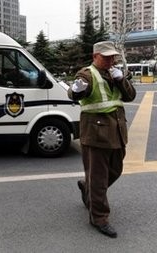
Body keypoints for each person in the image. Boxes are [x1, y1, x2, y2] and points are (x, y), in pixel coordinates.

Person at [67, 41, 136, 238]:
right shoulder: (87, 74)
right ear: (95, 56)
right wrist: (77, 90)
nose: (110, 60)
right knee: (98, 178)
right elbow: (75, 92)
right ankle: (99, 218)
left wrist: (122, 79)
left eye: (112, 56)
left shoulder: (114, 73)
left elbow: (129, 96)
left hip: (117, 132)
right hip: (96, 134)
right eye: (105, 57)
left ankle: (87, 187)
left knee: (116, 170)